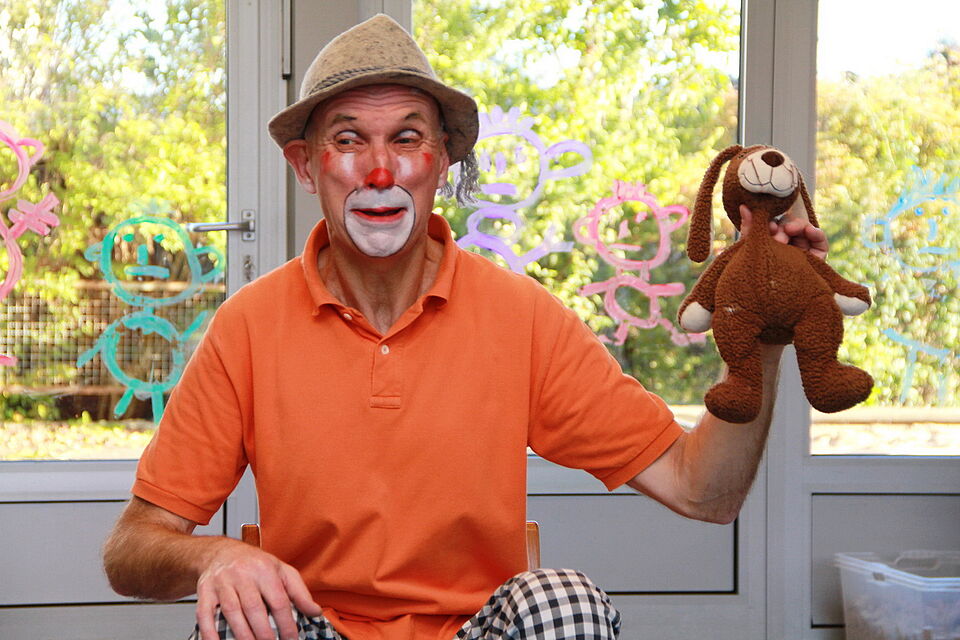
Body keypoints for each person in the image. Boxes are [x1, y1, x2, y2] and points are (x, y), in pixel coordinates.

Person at [101, 14, 828, 640]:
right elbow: (131, 548)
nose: (380, 172)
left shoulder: (520, 316)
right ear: (305, 165)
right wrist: (217, 556)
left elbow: (703, 491)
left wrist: (762, 338)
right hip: (313, 623)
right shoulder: (248, 326)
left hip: (478, 627)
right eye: (349, 140)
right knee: (236, 619)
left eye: (407, 139)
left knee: (568, 602)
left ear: (442, 160)